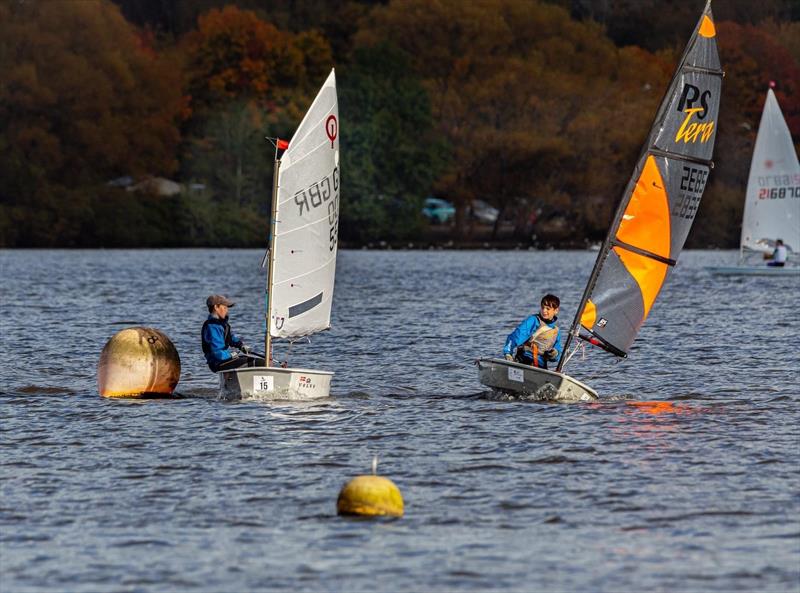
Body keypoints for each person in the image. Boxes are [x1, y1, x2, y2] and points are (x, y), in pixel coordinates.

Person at [502, 294, 563, 368]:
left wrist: (555, 354)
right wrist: (508, 353)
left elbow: (557, 355)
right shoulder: (533, 320)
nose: (544, 311)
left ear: (556, 310)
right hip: (524, 361)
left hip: (541, 367)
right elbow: (515, 336)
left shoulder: (556, 331)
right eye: (542, 307)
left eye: (548, 308)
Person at [201, 294, 251, 372]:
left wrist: (241, 345)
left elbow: (230, 338)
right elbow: (217, 352)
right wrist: (231, 355)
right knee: (251, 362)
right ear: (216, 307)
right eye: (224, 307)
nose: (226, 310)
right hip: (216, 362)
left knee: (253, 360)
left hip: (223, 360)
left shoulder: (222, 324)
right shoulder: (212, 326)